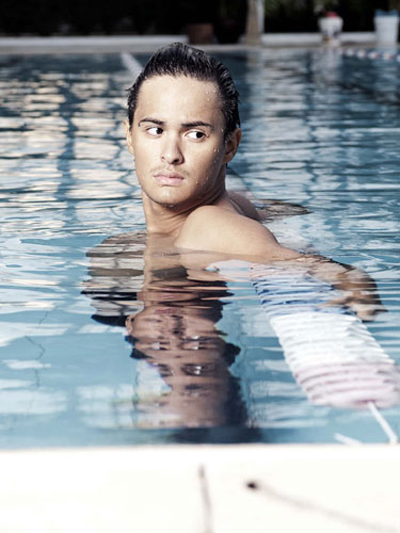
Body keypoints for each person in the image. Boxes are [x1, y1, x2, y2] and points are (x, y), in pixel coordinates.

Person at [124, 42, 383, 321]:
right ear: (129, 137)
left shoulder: (208, 226)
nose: (171, 154)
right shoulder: (231, 207)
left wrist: (360, 297)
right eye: (155, 130)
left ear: (230, 146)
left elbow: (323, 269)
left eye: (196, 134)